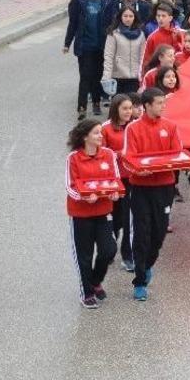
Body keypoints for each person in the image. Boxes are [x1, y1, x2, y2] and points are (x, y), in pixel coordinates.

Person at [123, 87, 186, 301]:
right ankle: (140, 281)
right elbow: (129, 157)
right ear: (147, 105)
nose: (162, 106)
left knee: (159, 233)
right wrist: (139, 169)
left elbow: (177, 154)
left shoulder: (170, 126)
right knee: (142, 233)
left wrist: (186, 164)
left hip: (164, 187)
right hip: (141, 188)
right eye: (159, 103)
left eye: (163, 103)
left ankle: (147, 265)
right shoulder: (133, 128)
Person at [65, 118, 122, 308]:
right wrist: (83, 197)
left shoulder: (108, 154)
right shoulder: (73, 158)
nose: (100, 136)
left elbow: (115, 179)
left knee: (109, 250)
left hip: (103, 212)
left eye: (101, 132)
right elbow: (70, 186)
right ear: (85, 137)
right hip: (81, 215)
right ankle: (87, 293)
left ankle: (95, 280)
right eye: (96, 133)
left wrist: (115, 193)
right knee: (85, 256)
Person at [64, 0, 114, 120]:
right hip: (85, 44)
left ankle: (97, 103)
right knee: (85, 75)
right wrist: (67, 43)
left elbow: (112, 23)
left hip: (101, 45)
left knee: (98, 75)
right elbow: (73, 22)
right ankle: (82, 107)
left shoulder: (108, 0)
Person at [102, 94, 138, 272]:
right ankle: (109, 250)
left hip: (132, 178)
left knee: (129, 219)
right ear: (115, 108)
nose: (128, 111)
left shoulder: (135, 126)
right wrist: (119, 154)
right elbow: (100, 155)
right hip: (113, 180)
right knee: (114, 219)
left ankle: (128, 256)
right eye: (124, 108)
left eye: (130, 108)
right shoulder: (105, 129)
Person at [103, 5, 146, 95]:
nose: (128, 19)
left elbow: (143, 56)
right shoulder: (114, 34)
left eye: (131, 16)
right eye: (125, 16)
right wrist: (106, 77)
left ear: (135, 17)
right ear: (120, 17)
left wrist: (142, 75)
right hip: (118, 76)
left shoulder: (141, 35)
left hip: (135, 77)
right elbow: (108, 56)